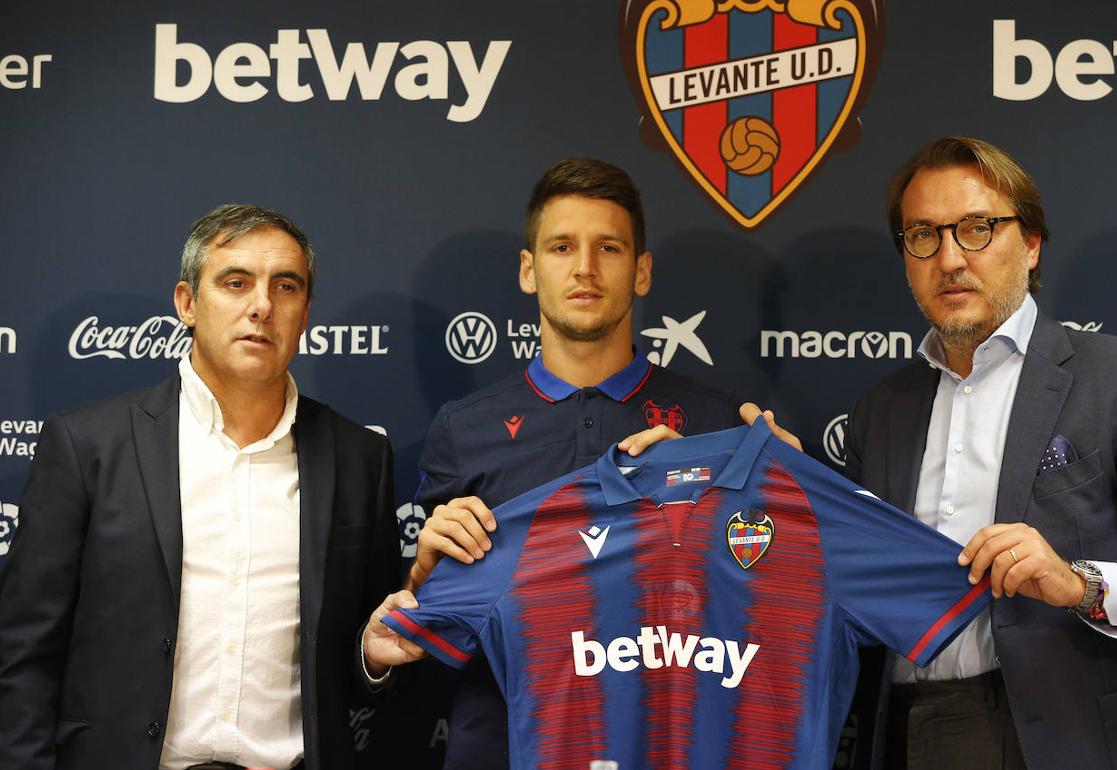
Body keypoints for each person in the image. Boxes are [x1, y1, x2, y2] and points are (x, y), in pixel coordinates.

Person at [841, 136, 1117, 769]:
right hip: (903, 732)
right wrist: (778, 487)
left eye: (976, 229)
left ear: (1030, 245)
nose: (949, 258)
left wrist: (1078, 584)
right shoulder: (880, 409)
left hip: (1065, 738)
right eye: (923, 235)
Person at [360, 157, 743, 770]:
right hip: (502, 744)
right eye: (562, 247)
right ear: (528, 270)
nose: (585, 268)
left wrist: (770, 485)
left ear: (641, 271)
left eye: (609, 248)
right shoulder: (465, 429)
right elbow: (432, 614)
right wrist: (416, 586)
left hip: (672, 746)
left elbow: (756, 604)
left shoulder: (717, 423)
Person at [0, 205, 400, 770]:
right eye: (236, 282)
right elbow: (22, 655)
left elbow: (364, 656)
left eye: (285, 286)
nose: (262, 305)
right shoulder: (87, 443)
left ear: (306, 312)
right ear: (188, 304)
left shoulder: (361, 457)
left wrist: (372, 660)